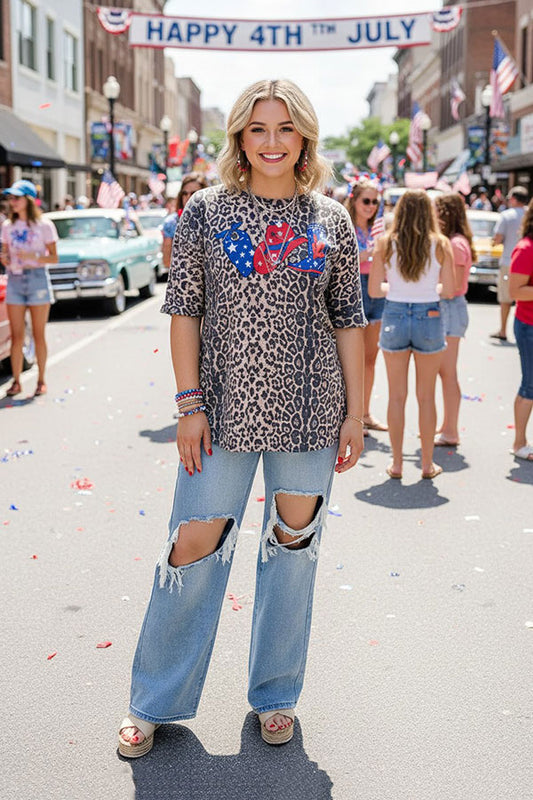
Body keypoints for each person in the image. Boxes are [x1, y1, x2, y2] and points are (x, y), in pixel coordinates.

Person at [118, 79, 366, 758]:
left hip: (311, 414)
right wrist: (187, 405)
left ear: (305, 137)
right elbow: (184, 312)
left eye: (285, 129)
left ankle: (276, 694)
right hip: (220, 413)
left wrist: (357, 413)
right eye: (258, 129)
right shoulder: (205, 211)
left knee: (292, 555)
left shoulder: (332, 220)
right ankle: (153, 699)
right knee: (191, 549)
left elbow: (347, 320)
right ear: (238, 138)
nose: (272, 142)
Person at [368, 190, 455, 480]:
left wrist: (397, 291)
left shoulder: (385, 243)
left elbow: (373, 290)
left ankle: (396, 464)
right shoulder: (441, 244)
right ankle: (427, 465)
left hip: (393, 313)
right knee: (426, 396)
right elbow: (451, 290)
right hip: (429, 314)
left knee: (396, 396)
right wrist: (427, 291)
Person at [0, 180, 58, 397]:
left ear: (28, 200)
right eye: (10, 198)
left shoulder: (44, 225)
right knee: (16, 336)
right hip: (14, 279)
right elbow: (6, 254)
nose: (12, 202)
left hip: (37, 279)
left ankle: (41, 380)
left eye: (16, 198)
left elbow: (54, 257)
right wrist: (5, 259)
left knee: (38, 334)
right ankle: (16, 381)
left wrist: (34, 256)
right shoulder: (7, 226)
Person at [344, 179, 387, 434]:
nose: (371, 207)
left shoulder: (379, 230)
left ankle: (366, 413)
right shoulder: (344, 225)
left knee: (370, 359)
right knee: (353, 359)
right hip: (354, 287)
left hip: (376, 288)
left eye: (375, 202)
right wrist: (362, 256)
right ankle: (353, 416)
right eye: (366, 201)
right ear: (355, 201)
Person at [433, 194, 475, 446]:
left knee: (447, 373)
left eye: (438, 210)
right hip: (448, 307)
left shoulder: (456, 244)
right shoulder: (453, 241)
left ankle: (451, 430)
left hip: (451, 307)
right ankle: (446, 425)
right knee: (443, 372)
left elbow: (455, 286)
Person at [508, 199, 533, 460]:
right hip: (529, 325)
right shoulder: (526, 248)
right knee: (530, 385)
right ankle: (519, 442)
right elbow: (516, 291)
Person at [491, 185, 529, 341]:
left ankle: (503, 330)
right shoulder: (529, 214)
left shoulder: (506, 215)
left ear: (513, 199)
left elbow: (497, 239)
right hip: (529, 260)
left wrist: (495, 242)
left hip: (510, 261)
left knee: (506, 298)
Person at [162, 173, 208, 271]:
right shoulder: (172, 222)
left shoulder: (214, 220)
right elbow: (166, 261)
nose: (188, 197)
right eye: (184, 193)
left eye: (194, 193)